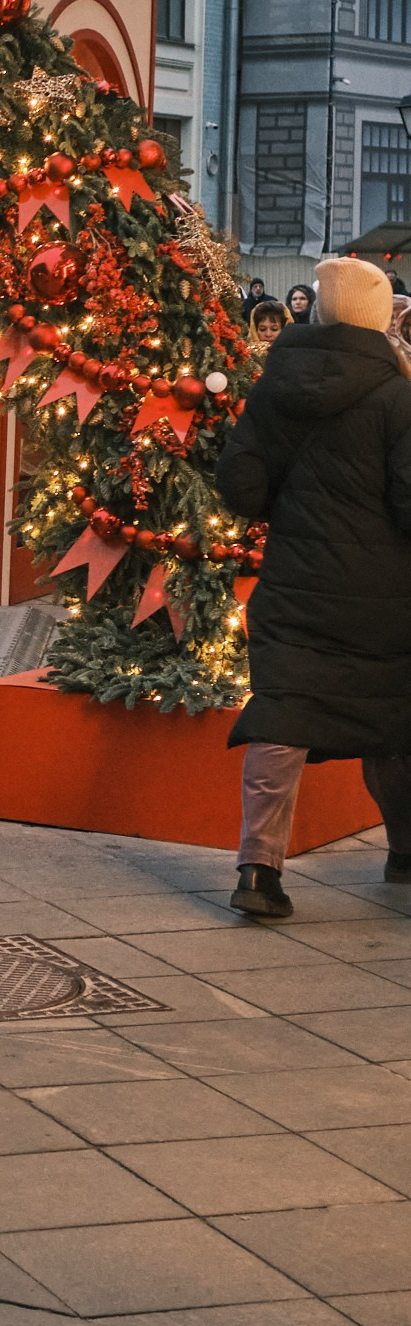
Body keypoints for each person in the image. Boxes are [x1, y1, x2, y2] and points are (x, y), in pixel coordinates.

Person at [215, 255, 411, 919]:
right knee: (395, 719)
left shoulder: (273, 386)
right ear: (380, 319)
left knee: (284, 715)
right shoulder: (399, 395)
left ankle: (257, 871)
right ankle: (405, 853)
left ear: (319, 310)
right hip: (386, 595)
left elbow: (242, 488)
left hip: (294, 585)